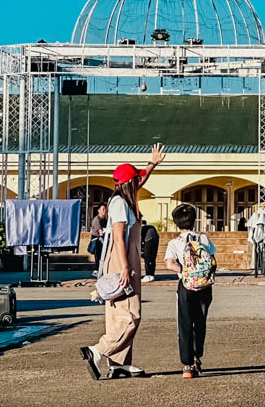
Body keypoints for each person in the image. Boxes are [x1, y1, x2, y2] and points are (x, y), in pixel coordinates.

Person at [80, 143, 165, 381]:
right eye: (136, 179)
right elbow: (118, 238)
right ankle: (97, 350)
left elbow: (141, 178)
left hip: (124, 258)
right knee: (131, 315)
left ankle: (119, 365)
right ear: (129, 183)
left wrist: (153, 163)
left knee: (117, 315)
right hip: (122, 260)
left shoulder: (125, 196)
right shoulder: (119, 204)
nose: (139, 181)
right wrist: (125, 268)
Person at [165, 203, 216, 379]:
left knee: (185, 323)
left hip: (186, 286)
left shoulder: (174, 243)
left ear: (176, 224)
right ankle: (196, 357)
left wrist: (184, 271)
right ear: (194, 221)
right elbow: (212, 260)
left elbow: (170, 264)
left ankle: (187, 365)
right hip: (204, 286)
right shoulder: (203, 239)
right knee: (200, 322)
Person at [89, 204, 108, 276]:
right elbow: (100, 232)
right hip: (97, 241)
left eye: (105, 209)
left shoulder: (105, 220)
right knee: (98, 257)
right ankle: (96, 270)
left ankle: (102, 271)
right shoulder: (96, 219)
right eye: (103, 209)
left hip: (103, 241)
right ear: (98, 210)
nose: (104, 211)